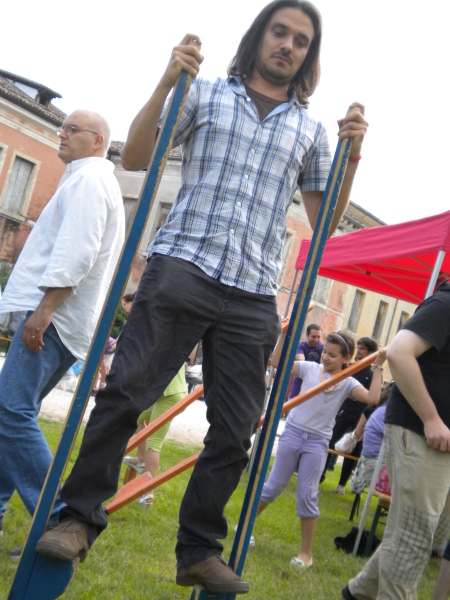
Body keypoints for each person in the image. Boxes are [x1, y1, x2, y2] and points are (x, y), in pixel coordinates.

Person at [37, 1, 368, 594]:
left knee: (236, 428)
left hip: (253, 289)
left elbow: (324, 222)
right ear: (259, 36)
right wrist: (167, 80)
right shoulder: (206, 92)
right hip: (183, 264)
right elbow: (137, 157)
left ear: (308, 55)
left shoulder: (312, 131)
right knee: (125, 393)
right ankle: (77, 518)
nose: (288, 46)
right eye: (280, 32)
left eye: (301, 40)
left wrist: (352, 159)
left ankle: (198, 549)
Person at [0, 111, 125, 543]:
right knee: (13, 413)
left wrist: (44, 310)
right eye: (62, 127)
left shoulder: (90, 179)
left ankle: (58, 518)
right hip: (62, 319)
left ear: (98, 140)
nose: (62, 133)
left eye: (72, 129)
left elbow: (78, 252)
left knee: (9, 410)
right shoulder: (87, 178)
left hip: (55, 318)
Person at [342, 282, 450, 600]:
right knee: (414, 537)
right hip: (420, 432)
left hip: (438, 441)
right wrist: (431, 418)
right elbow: (399, 352)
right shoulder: (445, 305)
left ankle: (358, 592)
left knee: (418, 533)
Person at [253, 330, 385, 568]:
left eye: (332, 355)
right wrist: (284, 336)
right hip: (293, 432)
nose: (325, 357)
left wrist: (378, 367)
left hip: (317, 442)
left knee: (308, 495)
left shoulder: (347, 382)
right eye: (325, 352)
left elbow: (373, 398)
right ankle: (246, 527)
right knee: (273, 486)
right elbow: (276, 362)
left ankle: (306, 554)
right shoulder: (311, 368)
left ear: (346, 358)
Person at [122, 365, 188, 507]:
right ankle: (141, 460)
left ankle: (147, 493)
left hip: (169, 394)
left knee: (154, 440)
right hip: (173, 391)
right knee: (137, 417)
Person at [322, 337, 378, 491]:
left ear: (371, 353)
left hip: (360, 416)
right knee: (330, 441)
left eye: (362, 348)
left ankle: (341, 485)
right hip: (343, 411)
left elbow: (374, 396)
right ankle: (320, 475)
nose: (358, 351)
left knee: (353, 449)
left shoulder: (373, 372)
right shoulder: (350, 367)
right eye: (357, 347)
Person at [288, 323, 323, 399]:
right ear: (307, 335)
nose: (316, 340)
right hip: (299, 386)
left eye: (318, 337)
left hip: (314, 386)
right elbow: (301, 361)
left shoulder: (322, 347)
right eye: (313, 337)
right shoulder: (301, 346)